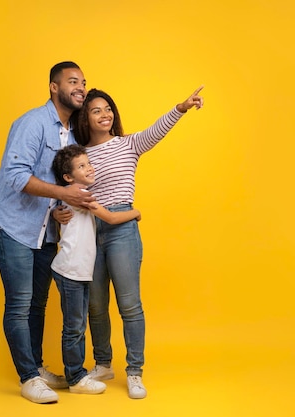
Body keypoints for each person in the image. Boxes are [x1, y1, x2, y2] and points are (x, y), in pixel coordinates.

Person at [60, 85, 204, 399]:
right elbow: (66, 185)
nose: (104, 114)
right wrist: (59, 212)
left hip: (121, 229)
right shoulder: (79, 151)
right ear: (85, 117)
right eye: (96, 110)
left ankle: (135, 371)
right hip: (88, 229)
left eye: (108, 109)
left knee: (129, 305)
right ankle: (103, 364)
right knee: (95, 306)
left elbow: (157, 129)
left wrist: (180, 107)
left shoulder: (129, 144)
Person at [0, 61, 96, 404]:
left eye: (83, 82)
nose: (80, 87)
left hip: (45, 231)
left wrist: (59, 208)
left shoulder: (74, 134)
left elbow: (58, 182)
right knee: (19, 304)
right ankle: (28, 377)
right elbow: (16, 177)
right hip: (13, 226)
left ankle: (35, 366)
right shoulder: (31, 123)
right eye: (72, 81)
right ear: (53, 86)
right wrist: (64, 195)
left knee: (37, 304)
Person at [50, 144, 141, 395]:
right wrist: (135, 212)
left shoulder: (72, 193)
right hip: (70, 269)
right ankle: (76, 376)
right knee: (74, 327)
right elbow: (110, 218)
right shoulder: (81, 194)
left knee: (77, 324)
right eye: (82, 166)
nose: (89, 168)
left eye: (88, 163)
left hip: (75, 269)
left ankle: (78, 373)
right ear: (68, 177)